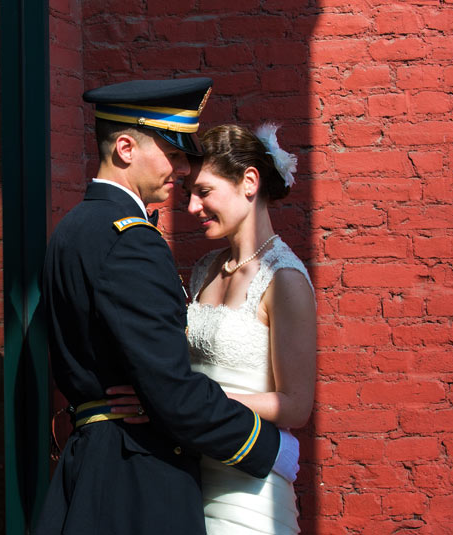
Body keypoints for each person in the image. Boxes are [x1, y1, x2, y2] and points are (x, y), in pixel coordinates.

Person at [35, 79, 299, 535]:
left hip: (97, 463)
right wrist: (272, 450)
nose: (179, 168)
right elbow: (171, 391)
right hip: (137, 475)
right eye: (171, 151)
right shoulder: (131, 241)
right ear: (125, 148)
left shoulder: (72, 228)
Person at [184, 124, 316, 534]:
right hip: (190, 478)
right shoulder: (204, 269)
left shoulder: (284, 279)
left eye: (203, 192)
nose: (191, 206)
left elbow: (296, 405)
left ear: (249, 182)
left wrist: (199, 399)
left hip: (250, 489)